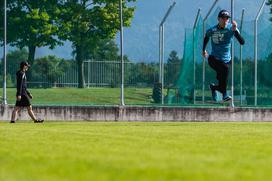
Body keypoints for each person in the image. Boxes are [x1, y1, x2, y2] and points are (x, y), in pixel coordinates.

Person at [202, 9, 245, 101]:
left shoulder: (231, 28)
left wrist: (235, 31)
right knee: (225, 69)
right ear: (218, 19)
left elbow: (242, 42)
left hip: (226, 60)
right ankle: (225, 95)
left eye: (227, 19)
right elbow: (206, 37)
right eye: (223, 18)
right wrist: (203, 50)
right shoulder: (212, 30)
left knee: (222, 82)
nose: (225, 20)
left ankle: (213, 88)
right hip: (213, 59)